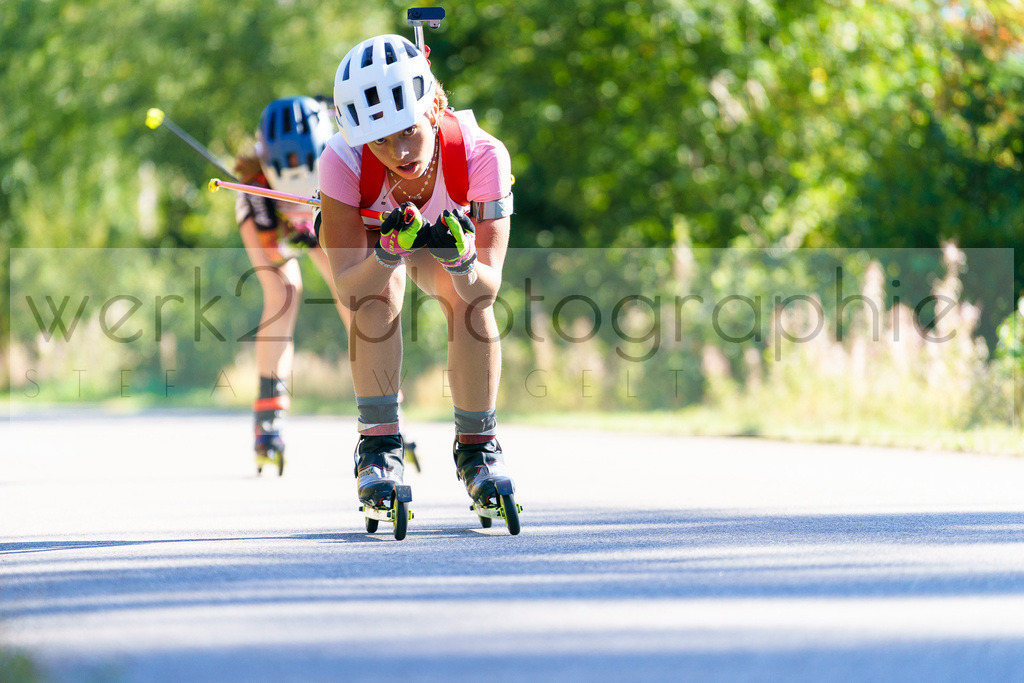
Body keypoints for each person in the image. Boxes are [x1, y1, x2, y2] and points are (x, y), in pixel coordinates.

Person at [317, 34, 516, 514]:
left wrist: (461, 260)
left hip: (451, 255)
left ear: (434, 108)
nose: (398, 152)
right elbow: (346, 285)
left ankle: (478, 450)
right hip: (375, 243)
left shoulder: (483, 156)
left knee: (468, 305)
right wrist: (386, 253)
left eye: (408, 131)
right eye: (379, 141)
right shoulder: (340, 161)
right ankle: (380, 449)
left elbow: (487, 288)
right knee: (374, 300)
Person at [235, 95, 420, 475]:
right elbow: (270, 255)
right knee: (283, 292)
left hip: (325, 210)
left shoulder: (342, 156)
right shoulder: (254, 181)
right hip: (277, 222)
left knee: (354, 294)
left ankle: (386, 403)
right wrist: (288, 241)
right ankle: (268, 415)